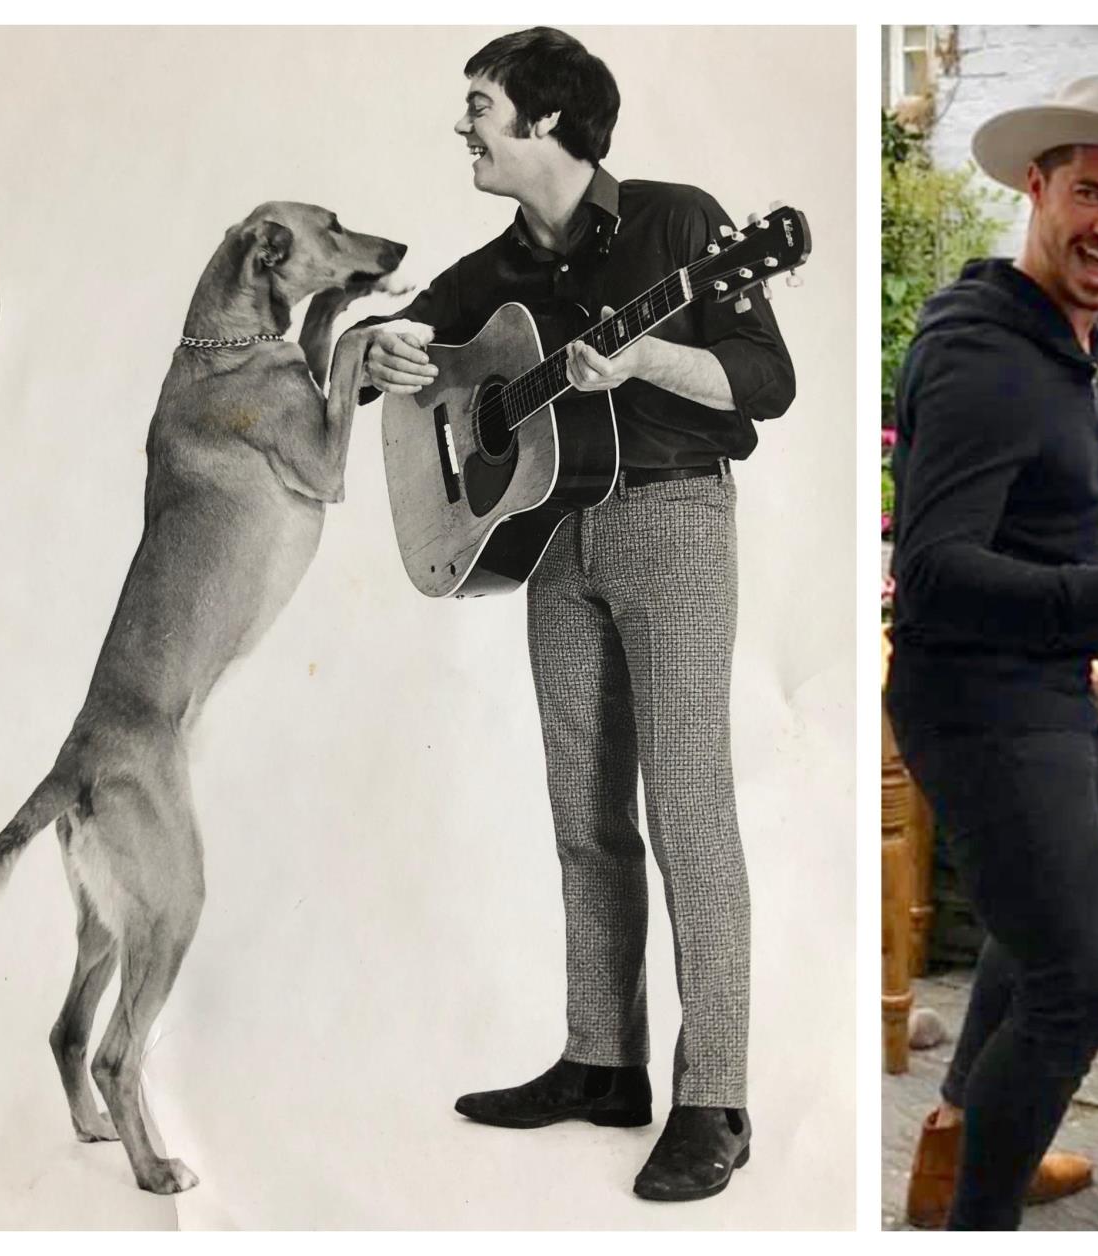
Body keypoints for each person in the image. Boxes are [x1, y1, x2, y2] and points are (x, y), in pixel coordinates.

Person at [345, 26, 794, 1202]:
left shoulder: (682, 222)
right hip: (550, 539)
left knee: (687, 803)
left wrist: (646, 359)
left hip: (675, 520)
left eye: (481, 106)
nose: (466, 128)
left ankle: (717, 1098)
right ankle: (602, 1063)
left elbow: (767, 382)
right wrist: (382, 344)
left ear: (547, 121)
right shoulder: (492, 269)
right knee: (582, 810)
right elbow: (383, 354)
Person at [886, 74, 1098, 1230]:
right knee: (1075, 984)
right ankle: (974, 1214)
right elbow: (932, 568)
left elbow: (1029, 529)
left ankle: (963, 1146)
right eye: (1090, 192)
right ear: (1035, 187)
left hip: (1036, 685)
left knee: (1045, 932)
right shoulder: (991, 354)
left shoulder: (1059, 335)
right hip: (981, 704)